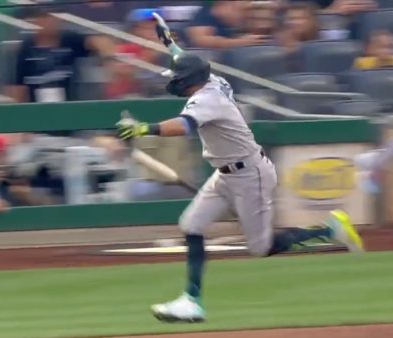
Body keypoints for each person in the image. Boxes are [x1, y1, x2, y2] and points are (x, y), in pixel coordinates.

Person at [115, 14, 365, 323]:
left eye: (176, 77)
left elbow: (183, 126)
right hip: (225, 174)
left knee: (260, 248)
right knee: (191, 225)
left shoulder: (207, 99)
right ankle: (191, 300)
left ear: (188, 80)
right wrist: (168, 41)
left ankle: (330, 229)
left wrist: (143, 129)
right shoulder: (210, 79)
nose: (172, 80)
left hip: (250, 176)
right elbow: (183, 59)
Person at [7, 5, 113, 103]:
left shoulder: (69, 39)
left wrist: (108, 58)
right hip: (36, 109)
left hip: (69, 106)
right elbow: (17, 88)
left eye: (52, 16)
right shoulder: (25, 48)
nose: (48, 21)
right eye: (43, 17)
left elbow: (101, 42)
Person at [187, 0, 268, 49]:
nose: (245, 14)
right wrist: (241, 42)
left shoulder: (241, 21)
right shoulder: (204, 16)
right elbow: (200, 41)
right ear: (225, 5)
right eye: (240, 10)